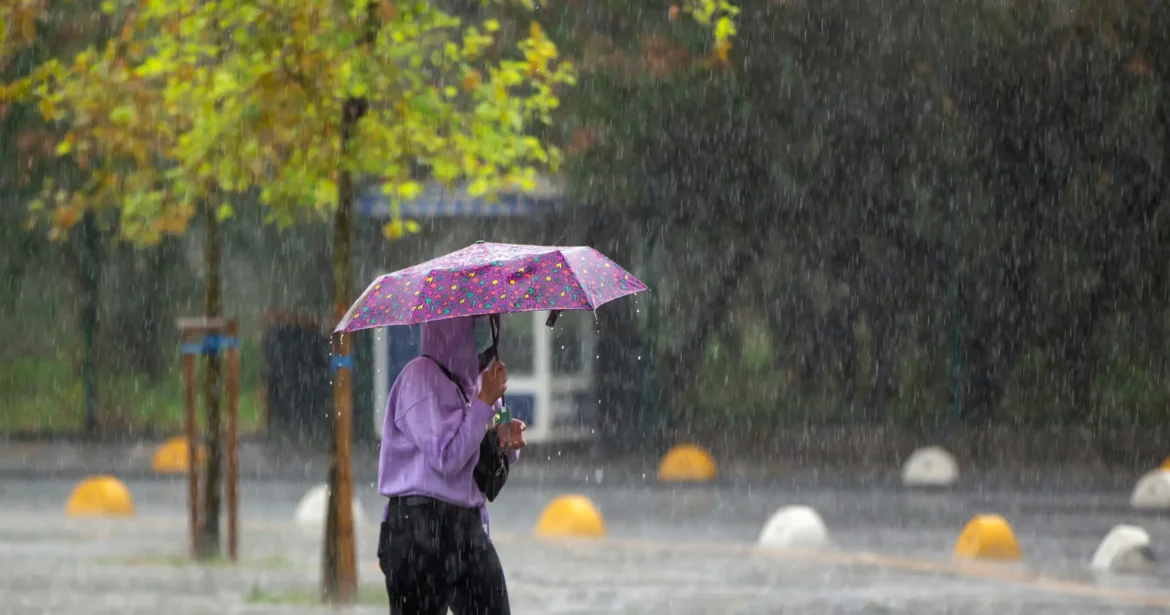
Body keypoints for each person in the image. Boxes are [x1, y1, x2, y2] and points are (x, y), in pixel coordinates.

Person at [377, 314, 527, 615]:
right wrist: (483, 404)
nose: (486, 331)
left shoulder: (480, 382)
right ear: (453, 329)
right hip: (418, 528)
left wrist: (505, 438)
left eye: (490, 322)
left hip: (466, 527)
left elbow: (482, 452)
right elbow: (446, 458)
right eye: (477, 323)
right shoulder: (418, 379)